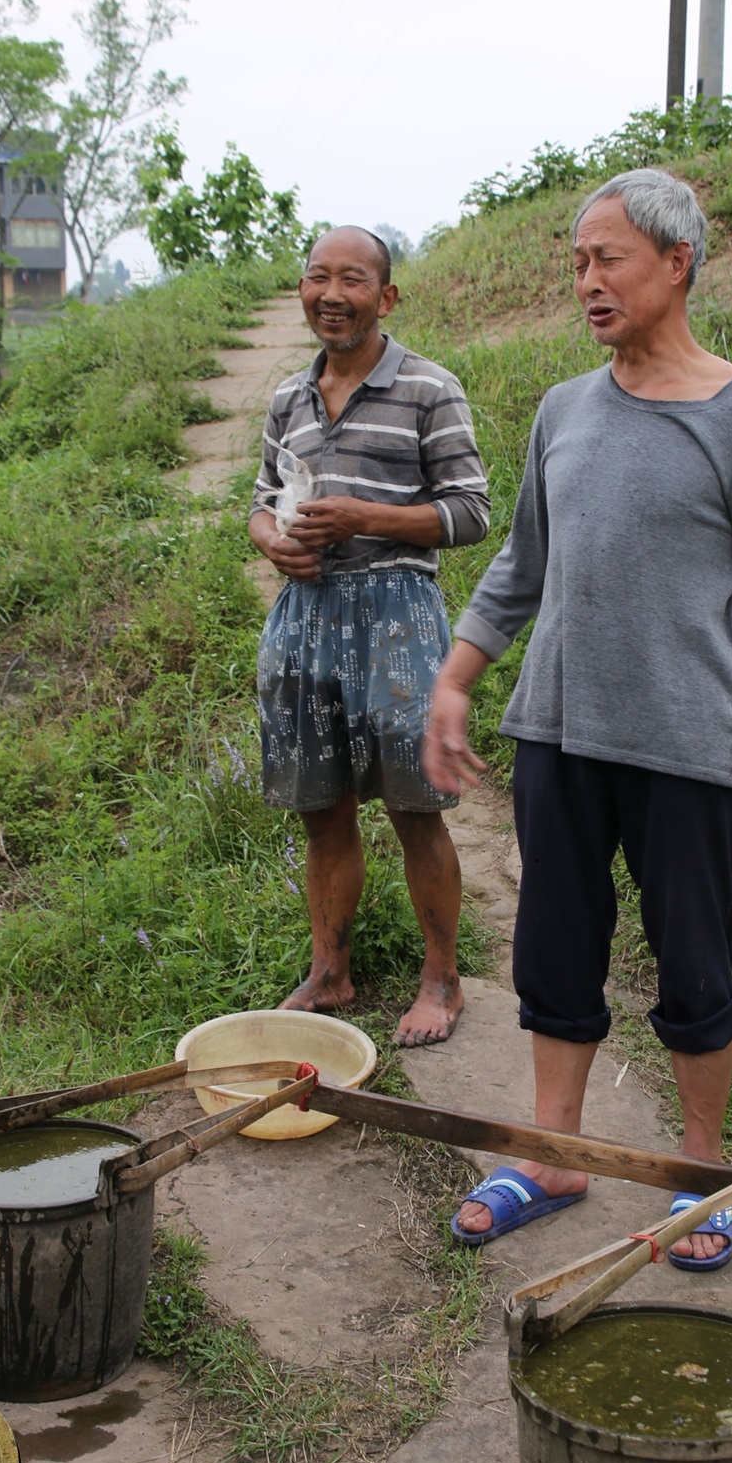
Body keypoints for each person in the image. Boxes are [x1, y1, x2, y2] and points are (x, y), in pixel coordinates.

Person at [423, 169, 732, 1265]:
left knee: (694, 965)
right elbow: (523, 562)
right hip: (557, 732)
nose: (587, 281)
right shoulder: (566, 408)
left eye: (609, 259)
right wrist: (457, 678)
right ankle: (555, 1156)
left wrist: (681, 656)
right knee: (554, 952)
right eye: (578, 263)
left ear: (677, 264)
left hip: (683, 747)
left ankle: (698, 1176)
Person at [249, 226, 490, 1046]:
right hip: (304, 616)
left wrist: (365, 517)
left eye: (352, 279)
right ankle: (330, 972)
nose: (331, 295)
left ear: (385, 297)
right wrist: (271, 542)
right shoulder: (289, 398)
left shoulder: (429, 388)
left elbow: (470, 512)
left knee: (417, 811)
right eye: (317, 277)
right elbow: (261, 501)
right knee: (321, 810)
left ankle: (442, 981)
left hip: (398, 617)